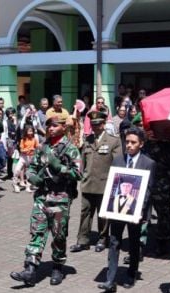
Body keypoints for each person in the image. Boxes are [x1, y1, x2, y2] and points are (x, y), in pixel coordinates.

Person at [10, 110, 82, 287]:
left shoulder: (70, 149)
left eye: (55, 125)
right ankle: (30, 269)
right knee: (37, 232)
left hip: (60, 198)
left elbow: (78, 174)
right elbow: (33, 166)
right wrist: (33, 177)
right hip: (42, 196)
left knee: (58, 235)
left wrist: (60, 168)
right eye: (48, 125)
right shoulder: (43, 146)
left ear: (64, 127)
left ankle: (57, 267)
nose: (50, 128)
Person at [98, 127, 156, 292]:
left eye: (133, 142)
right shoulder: (117, 160)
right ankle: (110, 278)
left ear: (141, 144)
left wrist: (140, 211)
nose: (129, 145)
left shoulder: (148, 163)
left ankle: (131, 274)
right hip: (117, 209)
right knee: (114, 241)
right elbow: (113, 186)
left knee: (133, 242)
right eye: (127, 142)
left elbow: (148, 190)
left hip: (135, 212)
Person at [70, 110, 122, 254]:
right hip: (88, 183)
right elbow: (83, 162)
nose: (95, 127)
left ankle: (102, 239)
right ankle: (82, 240)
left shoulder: (114, 141)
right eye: (93, 124)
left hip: (105, 183)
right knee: (85, 212)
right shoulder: (88, 140)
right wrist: (82, 176)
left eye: (98, 124)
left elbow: (118, 164)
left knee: (103, 215)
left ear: (104, 124)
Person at [12, 125, 39, 193]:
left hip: (31, 158)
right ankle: (15, 184)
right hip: (23, 157)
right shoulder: (23, 140)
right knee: (17, 170)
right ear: (26, 132)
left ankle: (28, 186)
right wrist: (29, 149)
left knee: (29, 173)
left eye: (31, 131)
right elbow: (21, 150)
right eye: (29, 131)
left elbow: (37, 147)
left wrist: (38, 148)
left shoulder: (34, 139)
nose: (30, 133)